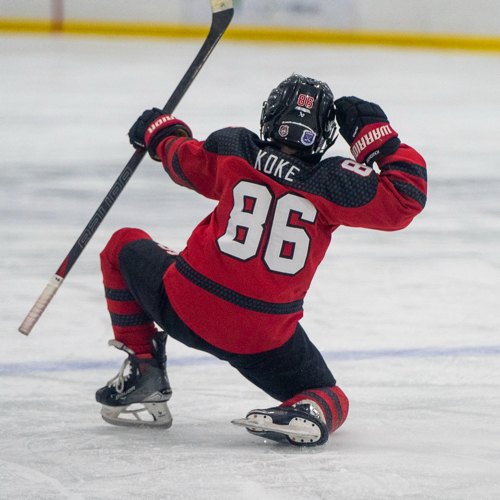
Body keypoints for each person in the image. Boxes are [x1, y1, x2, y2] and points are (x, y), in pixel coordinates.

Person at [96, 74, 427, 447]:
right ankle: (311, 409)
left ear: (270, 115)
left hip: (185, 305)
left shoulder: (235, 149)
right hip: (260, 337)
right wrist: (378, 140)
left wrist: (161, 133)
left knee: (121, 245)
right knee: (327, 392)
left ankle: (144, 368)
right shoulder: (337, 182)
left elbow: (183, 162)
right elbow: (406, 198)